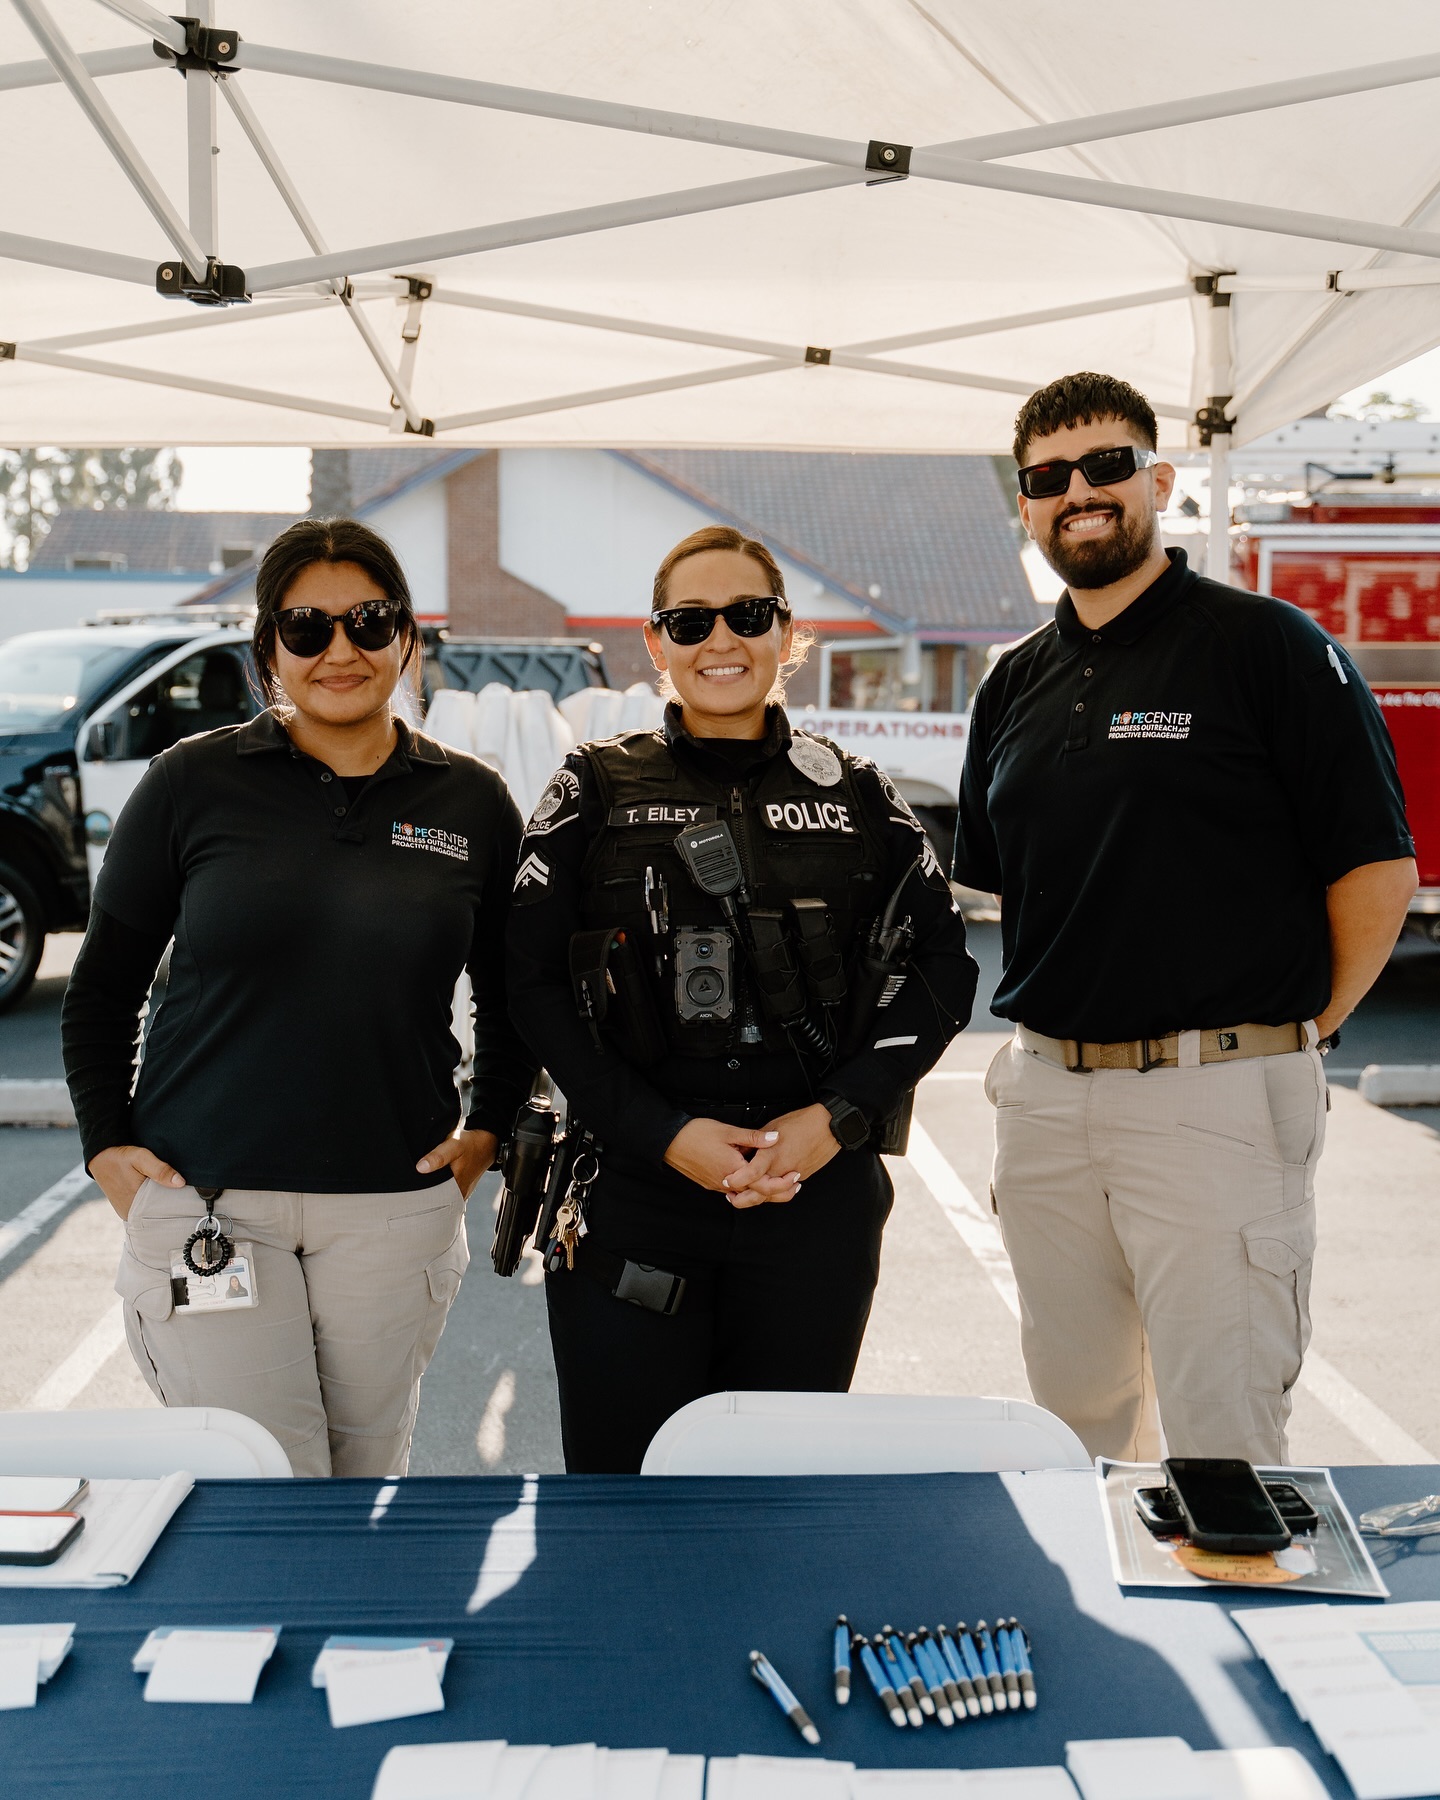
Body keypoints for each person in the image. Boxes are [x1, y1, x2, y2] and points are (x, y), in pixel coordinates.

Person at [953, 371, 1418, 1465]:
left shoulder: (1269, 646)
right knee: (1080, 1437)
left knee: (1225, 1452)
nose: (1081, 491)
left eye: (1107, 465)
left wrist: (1293, 1029)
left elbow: (1376, 871)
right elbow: (1015, 877)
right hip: (1046, 1104)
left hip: (1214, 1101)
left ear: (1158, 479)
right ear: (1025, 504)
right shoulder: (1012, 680)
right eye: (1048, 477)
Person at [61, 517, 534, 1478]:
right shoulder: (191, 782)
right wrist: (105, 1145)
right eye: (306, 628)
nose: (341, 650)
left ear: (406, 635)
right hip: (209, 1205)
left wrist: (487, 1129)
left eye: (368, 621)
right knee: (262, 1484)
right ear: (268, 648)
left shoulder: (472, 802)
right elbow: (102, 986)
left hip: (393, 1207)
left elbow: (515, 990)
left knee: (363, 1486)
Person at [506, 523, 977, 1472]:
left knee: (781, 1501)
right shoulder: (592, 788)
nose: (720, 641)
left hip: (812, 1192)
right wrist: (662, 1133)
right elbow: (530, 979)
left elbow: (944, 969)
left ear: (786, 634)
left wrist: (836, 1120)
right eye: (690, 621)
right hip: (638, 1192)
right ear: (656, 643)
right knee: (622, 1500)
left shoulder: (859, 793)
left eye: (747, 616)